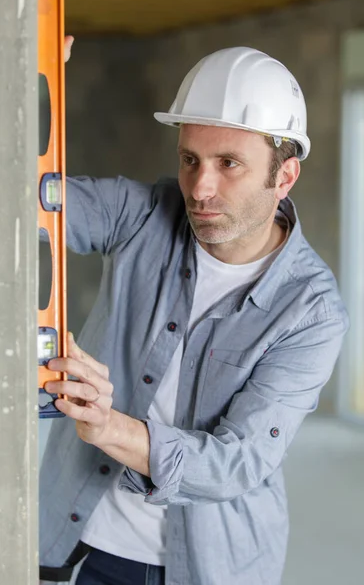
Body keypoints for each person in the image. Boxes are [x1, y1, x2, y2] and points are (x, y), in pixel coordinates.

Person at [39, 42, 348, 585]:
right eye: (190, 160)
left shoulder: (312, 312)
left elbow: (238, 462)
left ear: (285, 176)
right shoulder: (142, 215)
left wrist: (109, 426)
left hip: (214, 568)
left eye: (229, 164)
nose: (199, 189)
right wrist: (22, 83)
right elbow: (24, 202)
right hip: (85, 540)